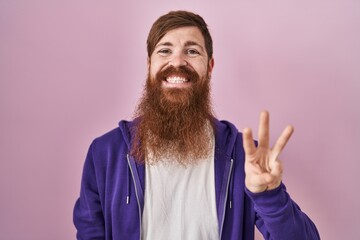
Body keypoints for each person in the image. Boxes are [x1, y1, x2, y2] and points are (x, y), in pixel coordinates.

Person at [73, 10, 320, 240]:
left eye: (192, 51)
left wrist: (270, 195)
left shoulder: (246, 158)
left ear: (209, 67)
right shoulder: (105, 153)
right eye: (164, 51)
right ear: (149, 65)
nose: (177, 61)